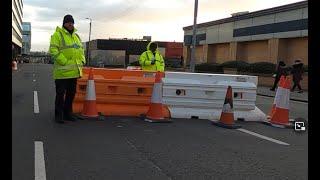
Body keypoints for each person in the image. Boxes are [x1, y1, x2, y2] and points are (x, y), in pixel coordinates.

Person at [49, 14, 86, 123]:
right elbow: (53, 50)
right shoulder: (57, 35)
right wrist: (64, 61)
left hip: (74, 72)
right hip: (62, 72)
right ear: (64, 23)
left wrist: (83, 60)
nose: (70, 24)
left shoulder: (76, 36)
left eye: (72, 22)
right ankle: (58, 115)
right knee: (60, 94)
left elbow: (81, 50)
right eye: (68, 22)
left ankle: (68, 113)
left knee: (71, 94)